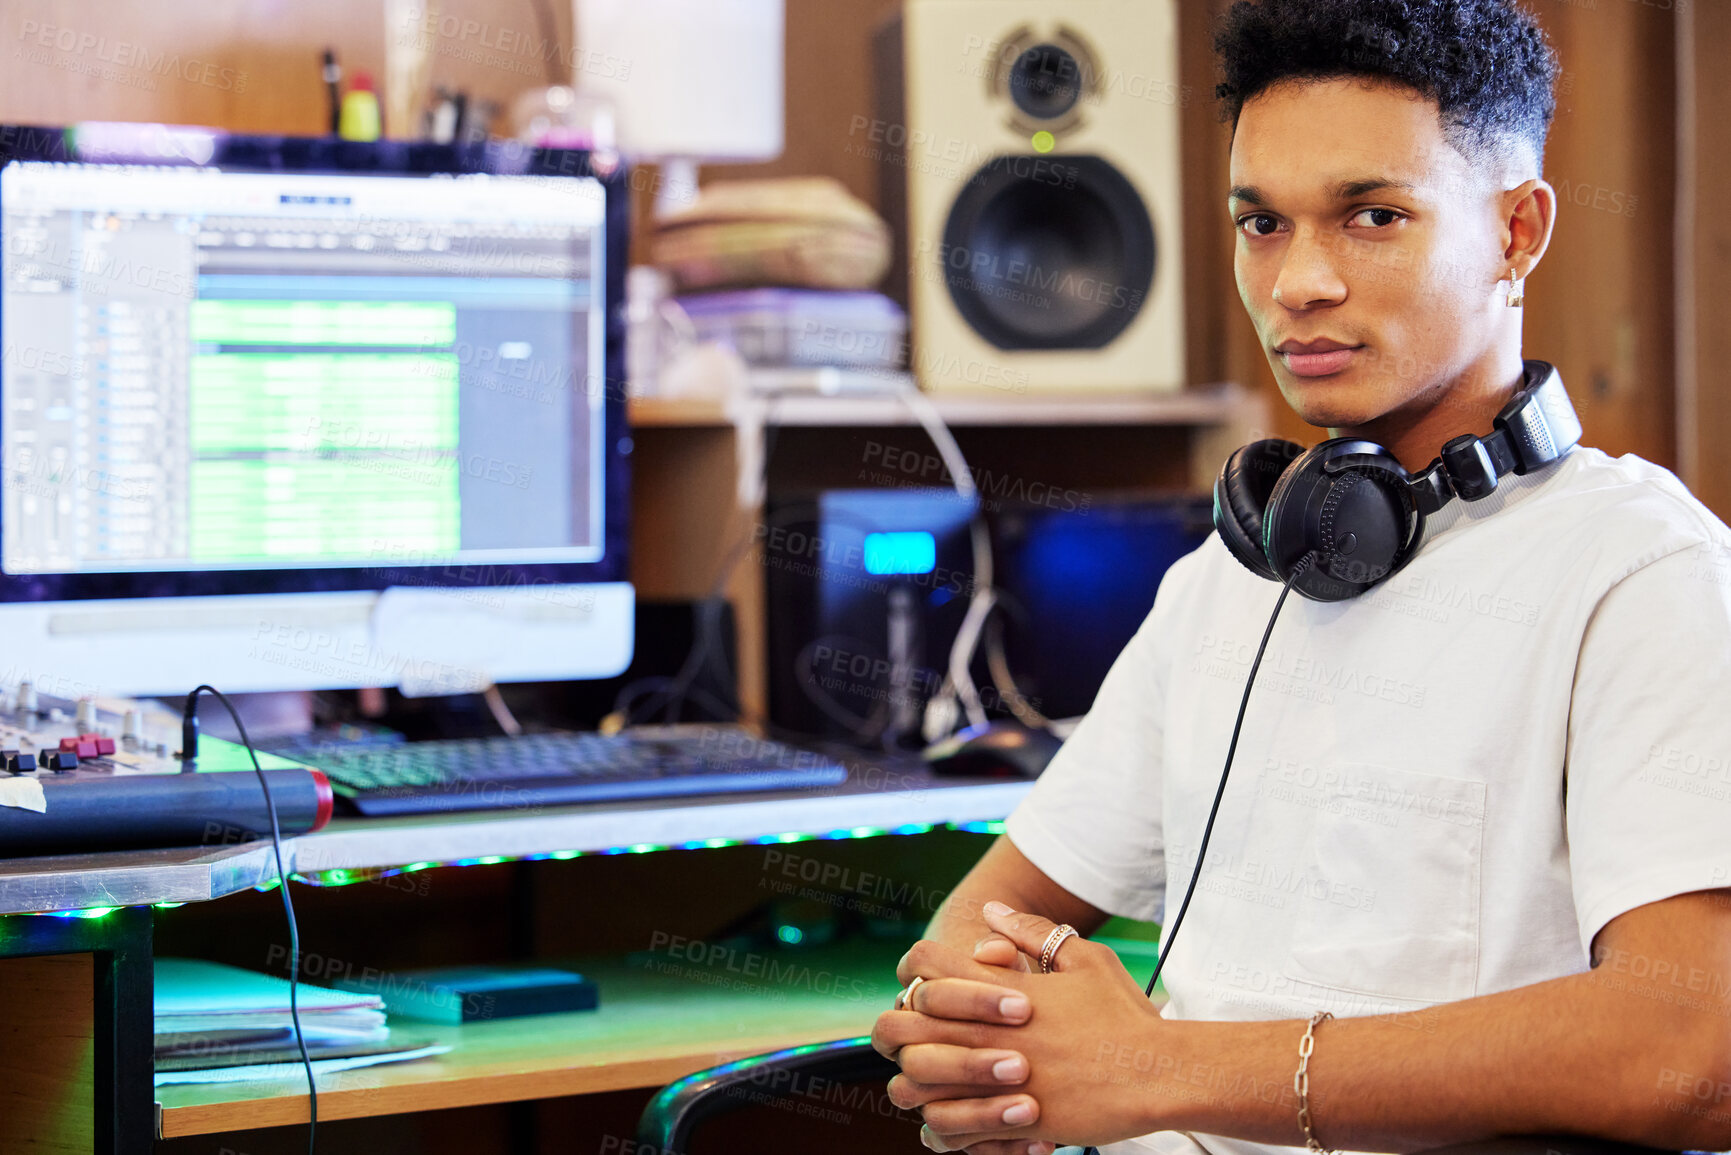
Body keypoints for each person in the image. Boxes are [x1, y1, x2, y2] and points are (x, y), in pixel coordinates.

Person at [870, 2, 1731, 1154]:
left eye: (1372, 216)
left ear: (1518, 232)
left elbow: (1692, 1050)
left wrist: (1160, 1071)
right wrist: (987, 1032)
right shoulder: (1226, 580)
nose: (1299, 282)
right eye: (1261, 224)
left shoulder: (1645, 575)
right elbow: (981, 923)